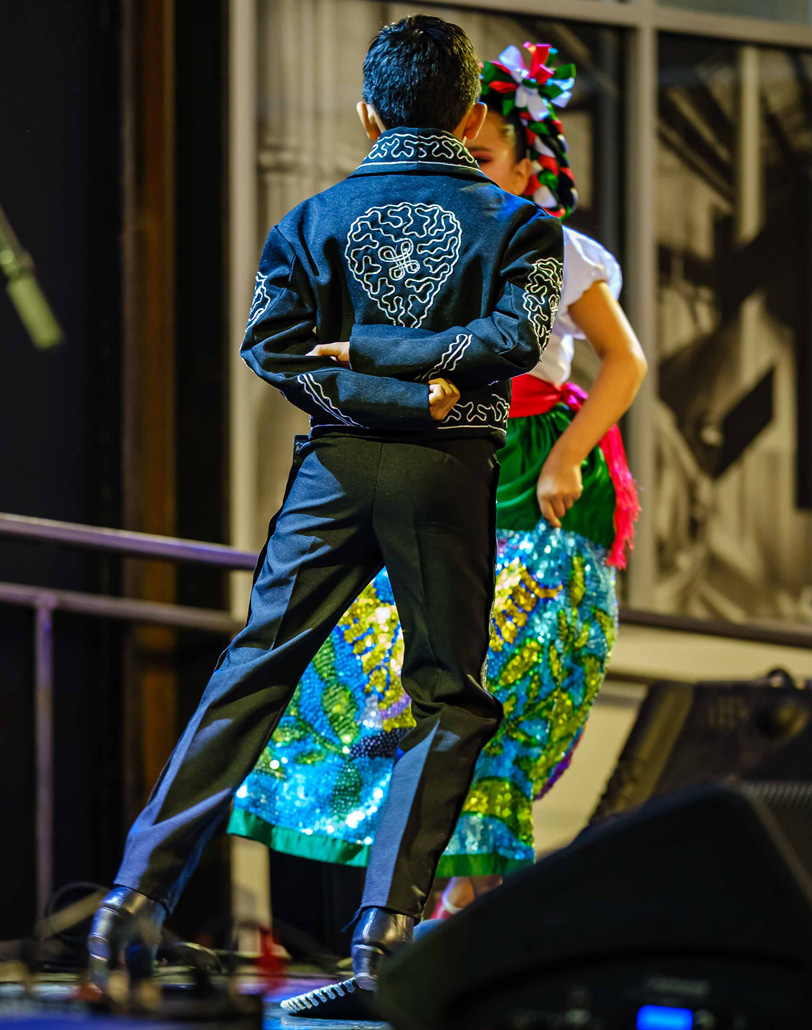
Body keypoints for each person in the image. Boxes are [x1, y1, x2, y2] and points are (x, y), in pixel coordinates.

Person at [86, 17, 563, 995]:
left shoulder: (306, 219)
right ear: (471, 111)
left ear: (364, 111)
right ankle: (381, 932)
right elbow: (514, 339)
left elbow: (272, 348)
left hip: (334, 471)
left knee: (250, 672)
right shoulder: (524, 226)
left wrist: (374, 360)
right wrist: (421, 387)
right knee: (448, 696)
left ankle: (128, 900)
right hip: (442, 475)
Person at [229, 43, 647, 919]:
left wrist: (569, 455)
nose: (464, 169)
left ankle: (451, 908)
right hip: (442, 454)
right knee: (378, 672)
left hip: (530, 467)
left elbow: (624, 363)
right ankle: (417, 907)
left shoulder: (549, 244)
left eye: (485, 158)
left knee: (490, 683)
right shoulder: (435, 227)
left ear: (527, 158)